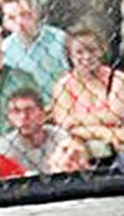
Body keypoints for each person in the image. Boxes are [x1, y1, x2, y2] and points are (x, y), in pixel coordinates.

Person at [50, 26, 124, 161]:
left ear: (101, 51)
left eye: (92, 50)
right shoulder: (63, 85)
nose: (87, 56)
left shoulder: (117, 78)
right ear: (70, 55)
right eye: (79, 52)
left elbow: (114, 116)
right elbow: (63, 125)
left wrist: (75, 120)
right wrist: (106, 133)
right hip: (83, 147)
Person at [0, 0, 68, 101]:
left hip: (61, 101)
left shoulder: (59, 38)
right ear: (5, 23)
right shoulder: (5, 48)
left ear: (35, 14)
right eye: (11, 18)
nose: (19, 22)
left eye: (24, 14)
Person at [0, 88, 70, 175]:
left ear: (42, 114)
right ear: (9, 118)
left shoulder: (60, 136)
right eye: (16, 111)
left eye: (29, 110)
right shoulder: (7, 144)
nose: (23, 116)